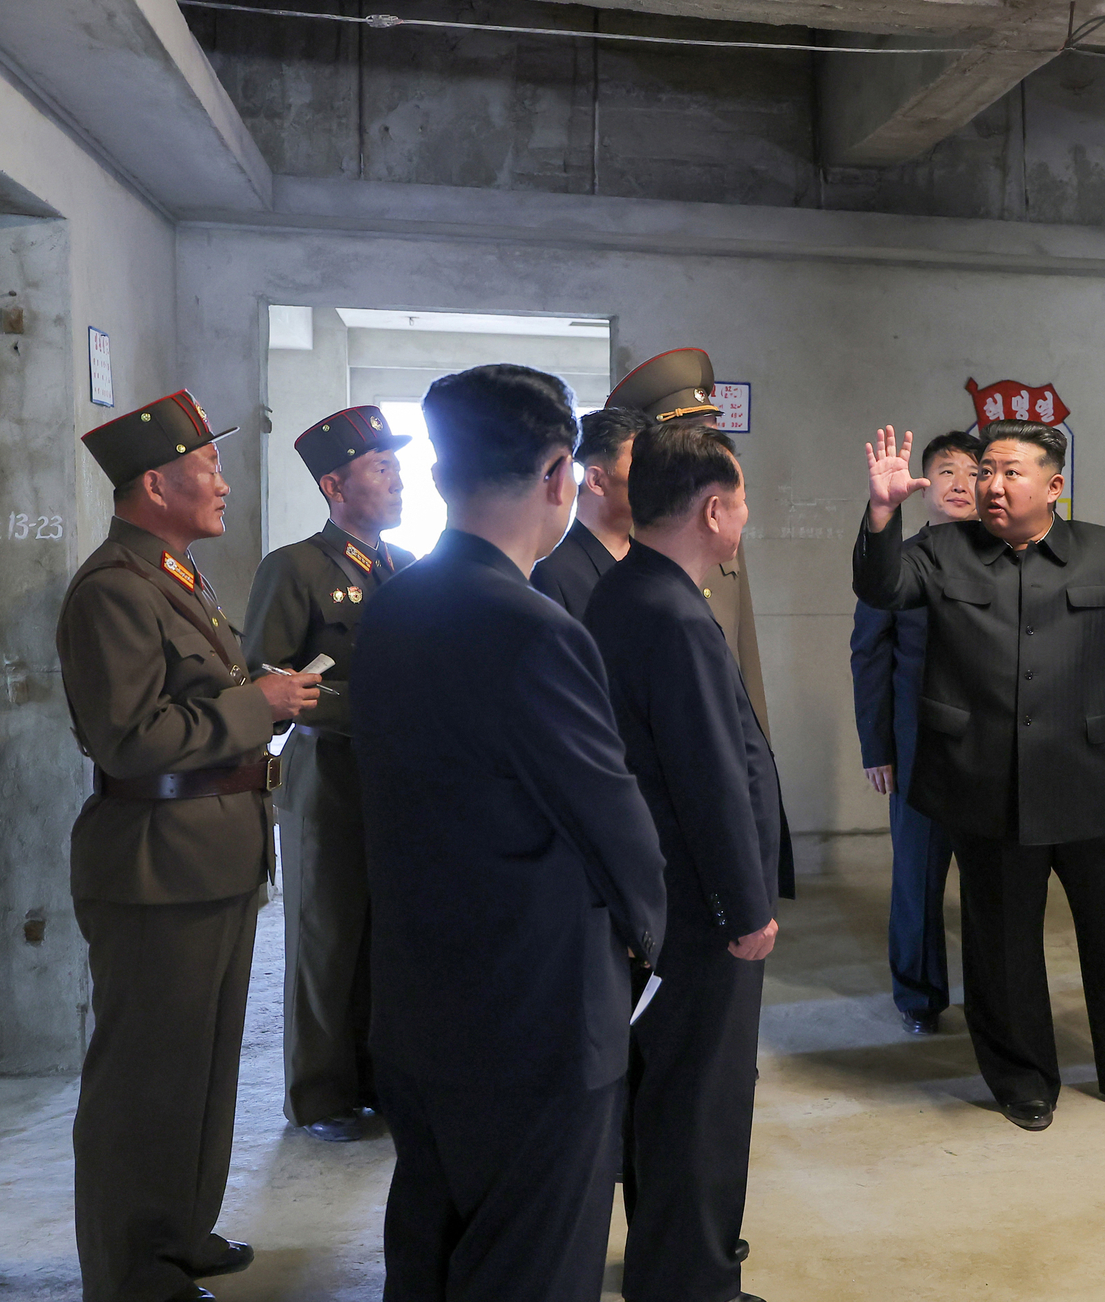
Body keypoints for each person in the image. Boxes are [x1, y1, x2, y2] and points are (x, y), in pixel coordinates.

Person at [349, 364, 667, 1302]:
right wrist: (651, 943)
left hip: (417, 1000)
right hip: (535, 1015)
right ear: (560, 472)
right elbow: (615, 823)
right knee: (535, 1264)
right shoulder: (535, 628)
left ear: (440, 473)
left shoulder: (396, 602)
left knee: (430, 1249)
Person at [853, 421, 1105, 1132]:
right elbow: (883, 585)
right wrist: (882, 515)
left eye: (1010, 471)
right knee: (1003, 946)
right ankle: (1023, 1081)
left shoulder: (1104, 550)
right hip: (986, 780)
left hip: (1092, 778)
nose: (990, 484)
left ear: (1053, 486)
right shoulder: (941, 550)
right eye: (985, 470)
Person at [58, 390, 320, 1302]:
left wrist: (259, 693)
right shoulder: (114, 588)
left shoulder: (172, 574)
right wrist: (258, 704)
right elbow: (129, 737)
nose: (222, 482)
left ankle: (177, 1234)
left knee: (201, 1071)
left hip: (210, 855)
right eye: (207, 468)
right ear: (155, 484)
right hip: (155, 865)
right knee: (144, 1083)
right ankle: (132, 1273)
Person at [587, 423, 790, 1302]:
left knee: (670, 1090)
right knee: (702, 1099)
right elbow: (709, 777)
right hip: (701, 911)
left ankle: (670, 1267)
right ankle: (691, 1282)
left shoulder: (629, 589)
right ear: (713, 509)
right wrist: (746, 908)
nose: (746, 516)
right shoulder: (674, 615)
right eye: (741, 501)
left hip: (662, 898)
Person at [242, 405, 415, 1142]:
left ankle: (379, 1079)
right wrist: (371, 704)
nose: (397, 479)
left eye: (397, 466)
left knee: (388, 933)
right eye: (381, 468)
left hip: (397, 776)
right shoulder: (295, 568)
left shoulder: (406, 567)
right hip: (328, 772)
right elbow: (266, 678)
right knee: (327, 933)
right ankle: (318, 1095)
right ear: (334, 485)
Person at [848, 430, 980, 1035]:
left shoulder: (1011, 559)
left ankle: (994, 994)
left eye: (972, 471)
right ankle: (919, 996)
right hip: (917, 750)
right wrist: (877, 747)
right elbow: (869, 656)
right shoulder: (897, 562)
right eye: (946, 471)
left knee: (992, 883)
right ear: (925, 486)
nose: (960, 483)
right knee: (917, 881)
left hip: (991, 753)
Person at [605, 347, 769, 733]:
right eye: (692, 436)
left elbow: (743, 644)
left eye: (710, 434)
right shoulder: (632, 528)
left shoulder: (720, 518)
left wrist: (758, 736)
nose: (706, 450)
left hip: (726, 726)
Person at [532, 406, 655, 620]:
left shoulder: (654, 561)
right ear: (596, 481)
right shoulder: (551, 571)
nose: (657, 477)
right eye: (642, 465)